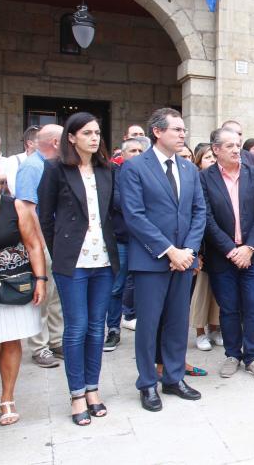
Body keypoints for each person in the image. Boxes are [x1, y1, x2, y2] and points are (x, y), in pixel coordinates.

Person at [120, 107, 206, 412]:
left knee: (176, 322)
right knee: (149, 325)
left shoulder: (189, 169)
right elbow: (135, 216)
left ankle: (173, 377)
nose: (183, 134)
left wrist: (189, 252)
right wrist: (170, 251)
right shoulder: (135, 168)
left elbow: (199, 212)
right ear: (157, 132)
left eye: (183, 130)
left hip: (184, 261)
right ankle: (147, 383)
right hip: (151, 261)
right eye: (177, 129)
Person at [38, 112, 119, 426]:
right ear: (71, 137)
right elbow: (45, 218)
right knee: (77, 327)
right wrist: (60, 249)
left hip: (103, 259)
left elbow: (112, 212)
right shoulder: (56, 170)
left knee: (97, 327)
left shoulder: (106, 169)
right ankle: (76, 394)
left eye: (97, 132)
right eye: (87, 133)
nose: (94, 138)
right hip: (73, 261)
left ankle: (93, 389)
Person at [0, 156, 47, 426]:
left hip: (14, 285)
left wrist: (40, 279)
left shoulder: (14, 206)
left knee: (10, 341)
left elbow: (33, 245)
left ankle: (7, 397)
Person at [201, 128, 254, 381]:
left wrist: (249, 248)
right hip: (223, 257)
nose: (235, 150)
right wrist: (231, 250)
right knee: (229, 308)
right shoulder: (205, 178)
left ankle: (253, 357)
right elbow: (206, 218)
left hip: (253, 255)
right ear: (215, 149)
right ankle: (232, 354)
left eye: (238, 145)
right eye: (229, 145)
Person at [14, 124, 65, 368]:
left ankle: (55, 340)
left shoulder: (52, 166)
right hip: (41, 243)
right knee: (41, 295)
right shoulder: (32, 166)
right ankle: (39, 346)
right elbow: (28, 208)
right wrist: (43, 245)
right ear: (56, 142)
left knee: (55, 296)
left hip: (54, 240)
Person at [104, 138, 147, 352]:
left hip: (147, 241)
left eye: (141, 150)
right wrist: (141, 207)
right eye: (133, 150)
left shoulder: (151, 173)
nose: (137, 153)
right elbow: (117, 202)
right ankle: (113, 329)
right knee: (117, 286)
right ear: (123, 154)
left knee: (146, 285)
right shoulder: (114, 174)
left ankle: (147, 328)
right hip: (122, 239)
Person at [190, 144, 221, 353]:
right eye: (207, 157)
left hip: (220, 244)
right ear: (199, 161)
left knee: (218, 293)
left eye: (213, 156)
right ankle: (200, 332)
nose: (211, 160)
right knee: (201, 293)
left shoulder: (219, 180)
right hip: (202, 245)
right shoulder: (195, 181)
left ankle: (215, 328)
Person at [4, 126, 39, 196]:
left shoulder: (47, 160)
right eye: (42, 141)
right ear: (30, 143)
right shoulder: (15, 160)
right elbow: (14, 189)